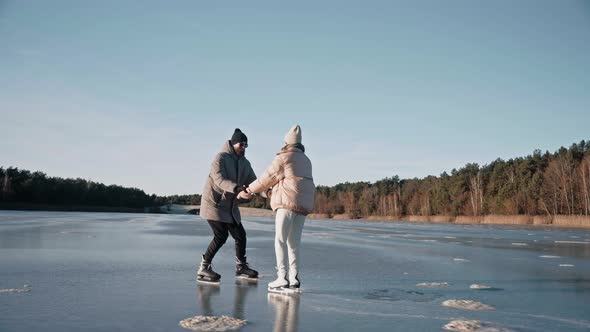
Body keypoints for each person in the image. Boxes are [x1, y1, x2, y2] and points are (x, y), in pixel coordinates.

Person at [244, 125, 315, 290]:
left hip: (286, 204)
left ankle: (281, 277)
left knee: (280, 240)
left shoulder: (285, 157)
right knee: (294, 243)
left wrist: (248, 190)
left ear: (286, 142)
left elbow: (266, 178)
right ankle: (294, 277)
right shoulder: (306, 160)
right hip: (302, 207)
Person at [197, 128, 259, 283]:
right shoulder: (220, 158)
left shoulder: (245, 163)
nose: (243, 147)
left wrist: (268, 192)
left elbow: (254, 183)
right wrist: (237, 188)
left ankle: (241, 267)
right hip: (214, 204)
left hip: (230, 207)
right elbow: (219, 180)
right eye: (241, 144)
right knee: (221, 235)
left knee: (240, 235)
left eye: (246, 145)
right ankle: (204, 267)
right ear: (233, 143)